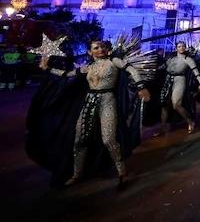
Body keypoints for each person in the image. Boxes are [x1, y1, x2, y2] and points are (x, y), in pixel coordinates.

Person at [35, 40, 150, 187]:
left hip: (108, 101)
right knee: (79, 140)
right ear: (90, 52)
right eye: (96, 47)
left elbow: (132, 70)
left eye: (103, 47)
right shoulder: (88, 67)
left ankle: (122, 171)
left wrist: (141, 87)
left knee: (108, 139)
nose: (100, 49)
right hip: (89, 102)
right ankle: (77, 174)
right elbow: (66, 75)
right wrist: (47, 68)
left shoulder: (114, 61)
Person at [158, 41, 200, 135]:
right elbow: (163, 67)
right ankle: (162, 128)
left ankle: (190, 121)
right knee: (164, 105)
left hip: (180, 80)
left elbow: (196, 72)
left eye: (183, 46)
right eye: (179, 46)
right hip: (168, 80)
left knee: (176, 104)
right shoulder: (171, 58)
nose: (181, 48)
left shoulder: (188, 59)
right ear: (176, 48)